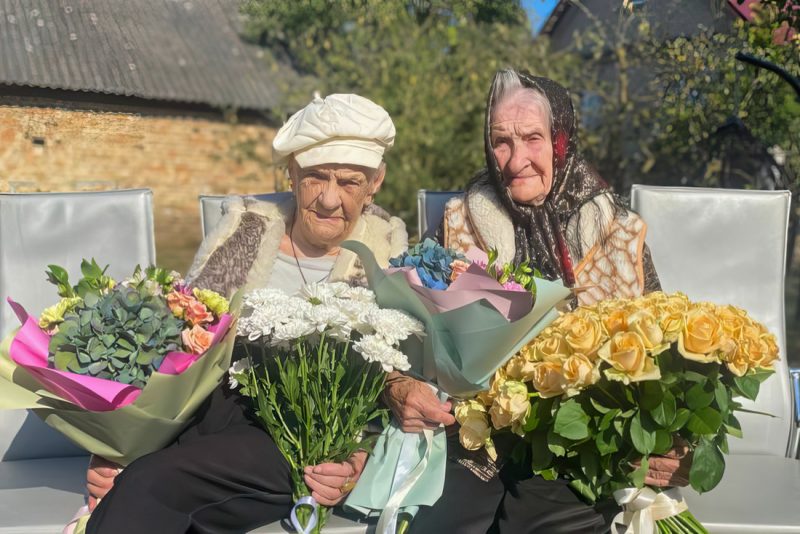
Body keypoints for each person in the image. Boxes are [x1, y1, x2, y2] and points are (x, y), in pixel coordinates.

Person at [85, 93, 407, 533]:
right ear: (291, 173)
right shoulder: (244, 231)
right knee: (135, 480)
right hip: (207, 412)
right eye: (316, 177)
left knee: (147, 482)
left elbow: (395, 378)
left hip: (292, 434)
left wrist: (354, 457)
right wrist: (117, 445)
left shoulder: (387, 259)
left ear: (376, 183)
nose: (330, 199)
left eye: (350, 182)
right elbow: (180, 341)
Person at [384, 69, 687, 533]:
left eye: (532, 139)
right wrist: (398, 385)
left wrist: (676, 440)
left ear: (562, 140)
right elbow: (403, 327)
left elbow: (664, 347)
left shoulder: (618, 232)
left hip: (580, 445)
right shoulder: (457, 222)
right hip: (472, 440)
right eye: (501, 142)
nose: (515, 160)